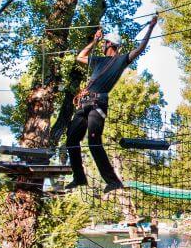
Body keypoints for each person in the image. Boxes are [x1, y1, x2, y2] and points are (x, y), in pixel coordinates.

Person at [65, 17, 159, 191]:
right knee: (71, 140)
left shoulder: (121, 60)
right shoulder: (98, 61)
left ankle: (113, 181)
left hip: (98, 103)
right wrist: (94, 41)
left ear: (110, 44)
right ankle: (79, 178)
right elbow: (80, 57)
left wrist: (151, 28)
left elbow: (141, 48)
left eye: (103, 43)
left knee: (93, 142)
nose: (102, 46)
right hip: (85, 102)